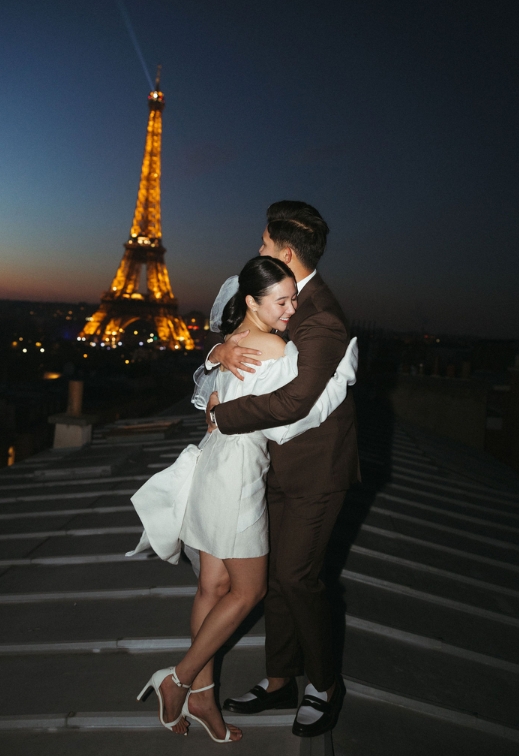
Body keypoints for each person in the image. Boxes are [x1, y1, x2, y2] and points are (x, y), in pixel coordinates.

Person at [131, 255, 357, 742]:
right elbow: (295, 414)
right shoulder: (276, 348)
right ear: (252, 301)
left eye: (295, 298)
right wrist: (343, 373)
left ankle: (204, 698)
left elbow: (202, 399)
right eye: (282, 300)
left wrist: (216, 357)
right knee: (249, 590)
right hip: (237, 476)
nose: (292, 309)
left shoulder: (235, 340)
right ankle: (178, 679)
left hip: (212, 465)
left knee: (211, 587)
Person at [205, 201, 359, 737]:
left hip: (316, 472)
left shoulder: (321, 317)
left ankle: (325, 683)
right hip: (272, 466)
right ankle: (279, 681)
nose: (260, 250)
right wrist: (224, 350)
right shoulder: (282, 295)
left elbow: (295, 400)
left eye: (266, 244)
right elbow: (239, 336)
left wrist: (224, 415)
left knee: (298, 576)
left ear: (287, 252)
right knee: (275, 578)